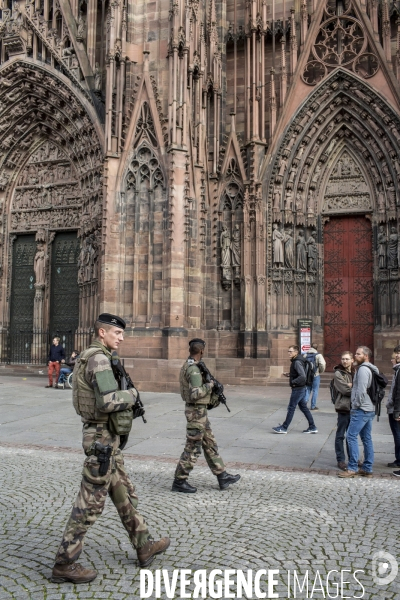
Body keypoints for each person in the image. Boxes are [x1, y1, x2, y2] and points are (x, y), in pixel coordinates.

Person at [51, 314, 170, 584]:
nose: (121, 337)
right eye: (116, 333)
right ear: (102, 333)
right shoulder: (99, 358)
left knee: (124, 492)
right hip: (101, 440)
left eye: (121, 333)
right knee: (90, 503)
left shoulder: (91, 355)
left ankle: (143, 545)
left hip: (107, 439)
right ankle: (64, 562)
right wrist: (134, 395)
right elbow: (107, 401)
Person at [172, 338, 240, 493]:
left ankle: (222, 475)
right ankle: (179, 481)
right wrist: (210, 385)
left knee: (209, 443)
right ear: (201, 351)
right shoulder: (194, 369)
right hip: (196, 412)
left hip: (199, 412)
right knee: (193, 447)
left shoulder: (190, 365)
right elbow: (195, 393)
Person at [338, 346, 378, 478]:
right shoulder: (372, 368)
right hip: (369, 408)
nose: (356, 356)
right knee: (367, 438)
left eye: (358, 354)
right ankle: (367, 468)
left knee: (351, 436)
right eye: (356, 354)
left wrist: (355, 405)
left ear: (366, 356)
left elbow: (361, 390)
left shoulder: (363, 370)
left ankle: (352, 468)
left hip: (361, 409)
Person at [272, 345, 318, 434]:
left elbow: (302, 376)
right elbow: (299, 373)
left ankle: (284, 428)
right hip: (301, 388)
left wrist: (293, 381)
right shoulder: (299, 360)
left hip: (298, 388)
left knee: (291, 407)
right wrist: (290, 374)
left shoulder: (296, 362)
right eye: (288, 351)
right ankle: (312, 426)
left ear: (296, 352)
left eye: (291, 351)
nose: (289, 353)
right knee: (303, 407)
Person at [332, 351, 355, 471]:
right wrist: (356, 388)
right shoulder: (338, 373)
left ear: (352, 360)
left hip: (355, 408)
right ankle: (340, 459)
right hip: (343, 407)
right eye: (343, 359)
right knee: (340, 435)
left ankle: (353, 458)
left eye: (347, 359)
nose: (344, 361)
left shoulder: (356, 371)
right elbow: (345, 390)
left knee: (352, 436)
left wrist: (353, 385)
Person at [386, 345, 400, 473]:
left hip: (396, 409)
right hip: (395, 408)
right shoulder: (397, 369)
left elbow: (398, 393)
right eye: (396, 353)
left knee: (398, 435)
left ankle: (399, 460)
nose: (396, 356)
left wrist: (396, 409)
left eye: (399, 353)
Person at [303, 343, 326, 410]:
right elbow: (322, 364)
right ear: (317, 348)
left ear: (311, 347)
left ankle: (304, 403)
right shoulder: (318, 355)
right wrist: (320, 371)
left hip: (307, 375)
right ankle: (313, 406)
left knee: (308, 389)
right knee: (315, 390)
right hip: (315, 375)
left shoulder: (305, 355)